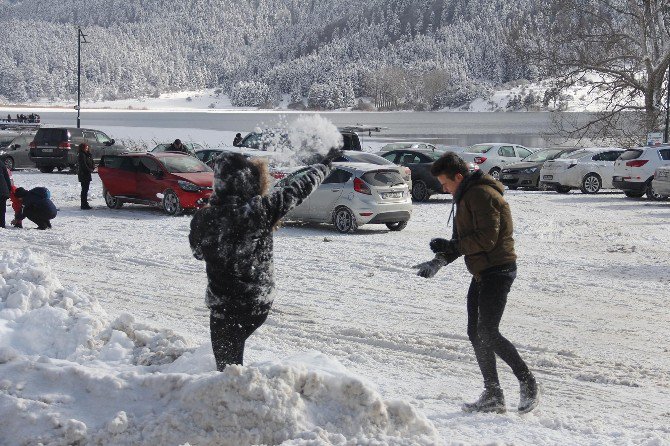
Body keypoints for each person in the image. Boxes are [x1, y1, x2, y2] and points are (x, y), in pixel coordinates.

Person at [189, 148, 341, 372]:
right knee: (232, 363)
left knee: (227, 369)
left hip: (224, 309)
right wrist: (324, 166)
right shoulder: (260, 210)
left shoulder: (205, 219)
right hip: (257, 304)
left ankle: (236, 392)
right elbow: (298, 189)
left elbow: (198, 252)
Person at [414, 152, 539, 414]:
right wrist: (439, 260)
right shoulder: (463, 196)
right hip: (482, 271)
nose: (443, 188)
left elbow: (486, 239)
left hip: (499, 269)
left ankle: (527, 382)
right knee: (475, 332)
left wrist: (453, 245)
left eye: (445, 183)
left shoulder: (481, 195)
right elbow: (459, 240)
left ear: (458, 177)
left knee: (488, 332)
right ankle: (493, 394)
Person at [77, 143, 95, 210]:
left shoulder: (88, 154)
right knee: (84, 190)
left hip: (87, 174)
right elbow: (83, 165)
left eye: (87, 148)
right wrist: (89, 170)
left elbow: (91, 162)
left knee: (86, 189)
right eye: (86, 148)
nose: (87, 149)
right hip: (83, 174)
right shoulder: (81, 155)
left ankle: (85, 203)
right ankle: (83, 204)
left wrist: (92, 167)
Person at [0, 164, 11, 228]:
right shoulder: (1, 164)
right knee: (2, 209)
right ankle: (2, 225)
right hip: (4, 190)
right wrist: (8, 190)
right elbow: (7, 178)